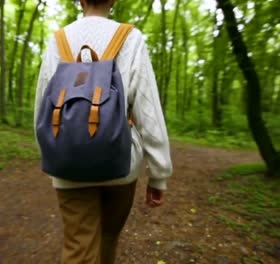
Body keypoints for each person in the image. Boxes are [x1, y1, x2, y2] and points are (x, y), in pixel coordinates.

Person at [33, 0, 173, 263]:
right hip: (120, 164)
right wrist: (159, 174)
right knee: (108, 237)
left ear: (81, 1)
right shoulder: (131, 38)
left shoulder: (58, 40)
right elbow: (148, 108)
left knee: (79, 246)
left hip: (68, 165)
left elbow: (43, 102)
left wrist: (50, 152)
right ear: (114, 0)